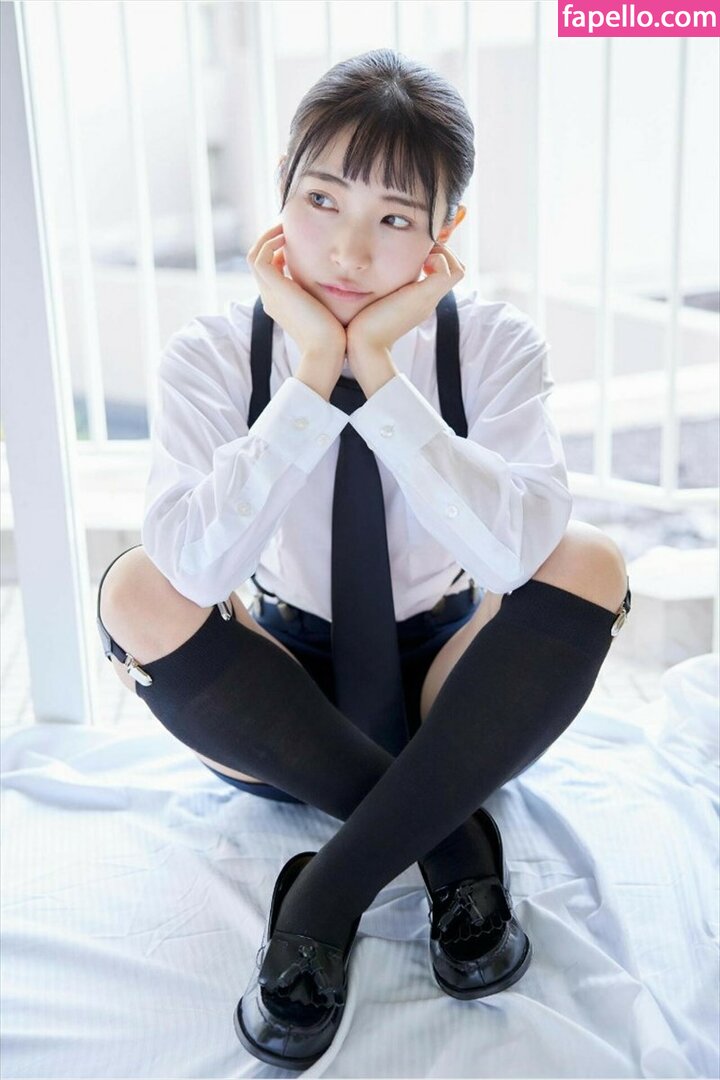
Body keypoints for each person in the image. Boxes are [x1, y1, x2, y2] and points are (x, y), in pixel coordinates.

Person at [96, 48, 631, 1069]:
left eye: (392, 218)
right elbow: (195, 574)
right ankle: (451, 841)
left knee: (589, 561)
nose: (346, 249)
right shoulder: (212, 353)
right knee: (137, 584)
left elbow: (516, 558)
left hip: (456, 695)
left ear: (443, 236)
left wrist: (379, 374)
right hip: (274, 698)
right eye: (321, 200)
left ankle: (324, 895)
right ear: (281, 193)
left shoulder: (495, 346)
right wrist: (311, 375)